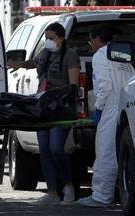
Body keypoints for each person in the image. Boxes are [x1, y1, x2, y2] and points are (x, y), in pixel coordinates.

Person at [7, 22, 80, 205]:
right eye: (46, 38)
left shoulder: (70, 56)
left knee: (56, 148)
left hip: (60, 109)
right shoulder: (46, 53)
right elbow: (34, 62)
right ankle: (52, 193)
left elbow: (73, 86)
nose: (48, 41)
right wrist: (19, 64)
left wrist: (62, 101)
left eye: (51, 38)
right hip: (43, 107)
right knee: (44, 150)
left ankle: (69, 185)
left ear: (61, 39)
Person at [77, 23, 135, 208]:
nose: (90, 43)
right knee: (122, 152)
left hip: (111, 107)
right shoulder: (121, 54)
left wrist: (99, 109)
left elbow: (104, 86)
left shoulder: (100, 56)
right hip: (128, 106)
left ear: (96, 39)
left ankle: (101, 196)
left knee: (105, 153)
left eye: (90, 39)